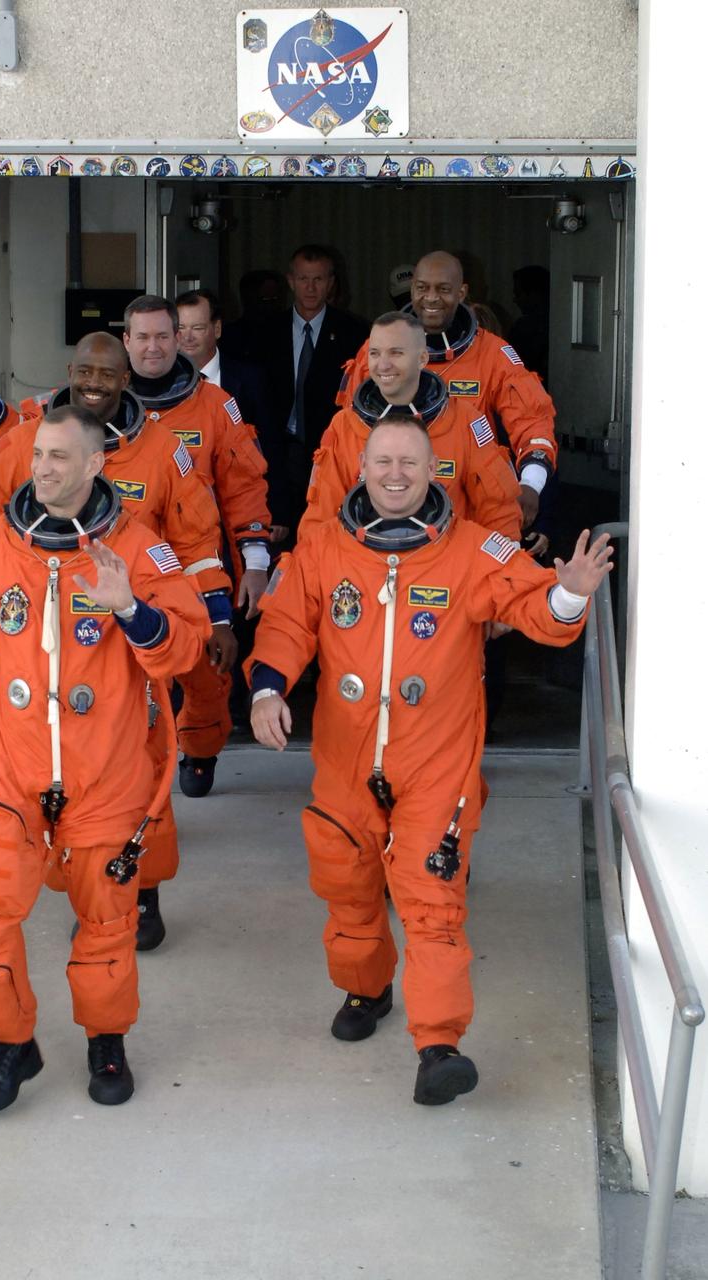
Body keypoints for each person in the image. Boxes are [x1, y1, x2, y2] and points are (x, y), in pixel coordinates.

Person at [246, 417, 611, 1105]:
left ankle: (437, 1045)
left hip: (433, 764)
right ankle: (365, 988)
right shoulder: (322, 549)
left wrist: (569, 592)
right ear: (360, 468)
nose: (394, 474)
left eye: (408, 464)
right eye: (382, 461)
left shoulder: (473, 547)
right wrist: (267, 689)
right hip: (345, 759)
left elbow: (534, 606)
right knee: (347, 888)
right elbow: (285, 624)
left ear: (432, 472)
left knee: (431, 899)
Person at [0, 406, 209, 1114]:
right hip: (11, 773)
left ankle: (106, 1039)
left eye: (60, 457)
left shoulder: (139, 549)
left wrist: (131, 608)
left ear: (97, 464)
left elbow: (186, 649)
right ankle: (9, 1046)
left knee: (106, 924)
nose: (43, 468)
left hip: (104, 776)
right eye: (38, 454)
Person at [0, 332, 229, 953]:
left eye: (108, 373)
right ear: (69, 373)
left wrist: (209, 612)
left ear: (127, 379)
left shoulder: (164, 453)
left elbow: (194, 539)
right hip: (48, 656)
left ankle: (134, 890)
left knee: (139, 777)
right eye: (84, 372)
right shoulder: (25, 440)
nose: (96, 383)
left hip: (130, 639)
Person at [122, 295, 273, 798]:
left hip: (198, 563)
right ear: (126, 341)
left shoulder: (215, 405)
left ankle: (201, 747)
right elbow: (31, 442)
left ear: (180, 338)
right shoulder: (98, 401)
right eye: (142, 337)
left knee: (208, 678)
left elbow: (244, 485)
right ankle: (137, 768)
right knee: (129, 676)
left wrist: (255, 563)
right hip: (125, 571)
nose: (153, 347)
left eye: (163, 336)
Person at [338, 250, 558, 530]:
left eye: (443, 289)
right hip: (385, 509)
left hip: (469, 512)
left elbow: (532, 419)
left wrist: (531, 483)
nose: (431, 298)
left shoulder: (492, 354)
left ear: (462, 292)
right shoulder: (377, 351)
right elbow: (349, 431)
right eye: (422, 288)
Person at [300, 313, 521, 541]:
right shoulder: (344, 426)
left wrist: (502, 566)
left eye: (396, 353)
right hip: (364, 566)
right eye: (374, 354)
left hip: (447, 565)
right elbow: (321, 517)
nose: (383, 365)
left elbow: (498, 509)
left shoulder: (464, 420)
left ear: (422, 359)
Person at [263, 244, 369, 531]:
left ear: (331, 283)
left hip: (329, 448)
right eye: (303, 279)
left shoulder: (355, 332)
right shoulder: (265, 331)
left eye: (318, 279)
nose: (310, 288)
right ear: (290, 281)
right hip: (277, 452)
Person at [176, 288, 286, 539]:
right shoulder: (159, 386)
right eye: (180, 328)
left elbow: (272, 445)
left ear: (217, 329)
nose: (187, 337)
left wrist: (277, 511)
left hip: (240, 511)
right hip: (180, 515)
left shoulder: (251, 379)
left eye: (198, 328)